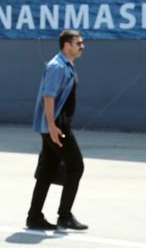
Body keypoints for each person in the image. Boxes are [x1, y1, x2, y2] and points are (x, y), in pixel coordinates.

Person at [26, 30, 89, 232]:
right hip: (57, 126)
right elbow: (48, 96)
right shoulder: (57, 66)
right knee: (76, 166)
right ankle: (65, 216)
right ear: (66, 45)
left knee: (47, 170)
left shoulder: (66, 65)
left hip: (55, 125)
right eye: (78, 43)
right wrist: (52, 126)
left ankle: (34, 217)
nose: (82, 46)